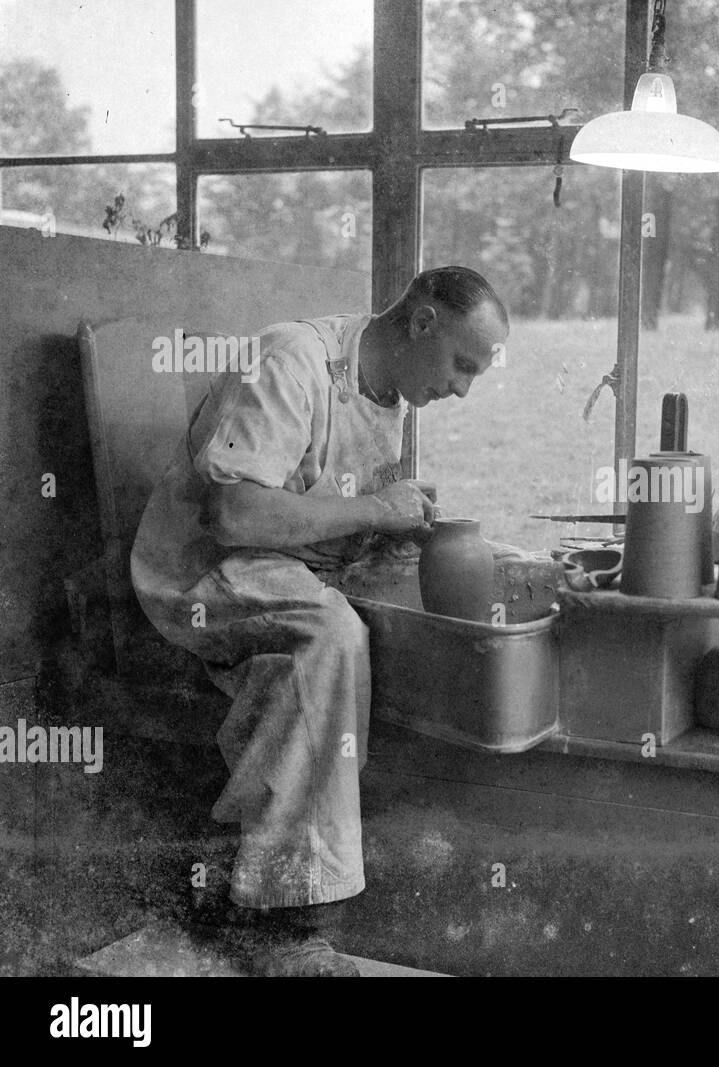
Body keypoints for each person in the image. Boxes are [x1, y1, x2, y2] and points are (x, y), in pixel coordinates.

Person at [130, 266, 509, 976]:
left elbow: (324, 508)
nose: (462, 388)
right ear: (422, 322)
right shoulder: (292, 360)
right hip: (201, 566)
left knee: (375, 618)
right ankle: (283, 925)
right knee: (330, 634)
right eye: (463, 365)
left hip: (289, 562)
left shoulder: (387, 392)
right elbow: (234, 514)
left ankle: (270, 881)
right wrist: (371, 509)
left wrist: (390, 520)